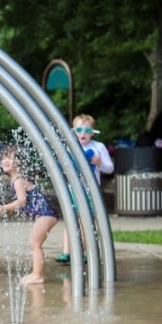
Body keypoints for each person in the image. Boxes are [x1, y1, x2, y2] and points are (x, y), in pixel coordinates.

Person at [0, 145, 59, 285]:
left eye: (10, 158)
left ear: (19, 162)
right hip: (44, 214)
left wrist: (4, 208)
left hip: (45, 213)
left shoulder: (18, 180)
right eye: (4, 157)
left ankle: (38, 275)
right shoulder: (16, 179)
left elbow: (21, 202)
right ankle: (36, 274)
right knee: (34, 243)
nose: (5, 160)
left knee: (34, 243)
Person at [56, 114, 113, 265]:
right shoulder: (70, 148)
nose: (83, 133)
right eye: (79, 129)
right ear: (73, 131)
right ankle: (66, 252)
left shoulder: (98, 147)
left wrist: (99, 163)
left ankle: (85, 251)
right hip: (73, 189)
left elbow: (110, 168)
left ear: (93, 133)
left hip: (90, 191)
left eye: (87, 130)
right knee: (70, 219)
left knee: (85, 221)